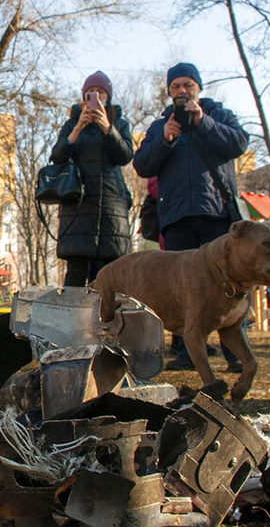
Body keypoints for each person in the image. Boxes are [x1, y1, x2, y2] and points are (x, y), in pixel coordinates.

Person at [133, 62, 250, 372]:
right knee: (178, 285)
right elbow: (142, 165)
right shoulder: (160, 125)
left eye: (187, 85)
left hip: (216, 213)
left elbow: (239, 143)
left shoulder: (218, 115)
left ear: (199, 87)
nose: (182, 91)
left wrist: (202, 122)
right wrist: (165, 140)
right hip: (176, 217)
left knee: (228, 282)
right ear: (169, 92)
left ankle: (235, 352)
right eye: (175, 87)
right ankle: (186, 351)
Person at [49, 71, 134, 287]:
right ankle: (71, 321)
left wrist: (107, 127)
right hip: (78, 208)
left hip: (110, 210)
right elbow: (57, 157)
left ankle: (106, 321)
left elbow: (124, 156)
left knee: (110, 279)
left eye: (100, 92)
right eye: (90, 93)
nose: (96, 96)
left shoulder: (120, 124)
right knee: (75, 276)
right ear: (83, 97)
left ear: (108, 96)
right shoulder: (72, 124)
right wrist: (78, 128)